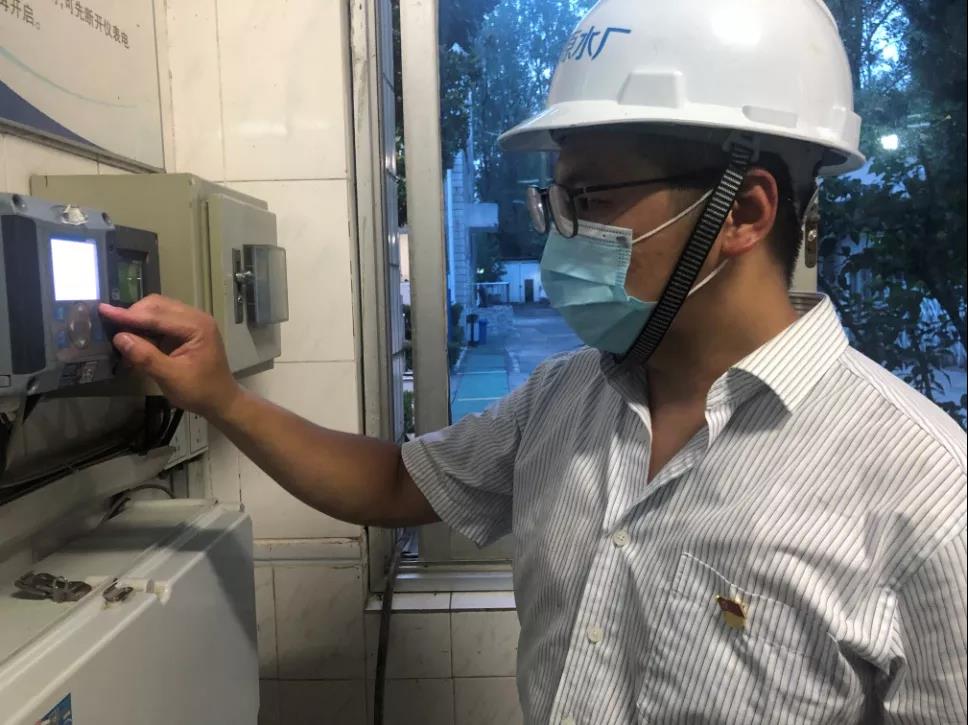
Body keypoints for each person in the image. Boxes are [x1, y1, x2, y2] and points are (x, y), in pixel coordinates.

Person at [99, 0, 967, 722]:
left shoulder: (928, 496)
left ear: (742, 211)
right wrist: (222, 397)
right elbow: (394, 484)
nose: (560, 233)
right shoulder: (566, 398)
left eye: (588, 197)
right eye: (556, 198)